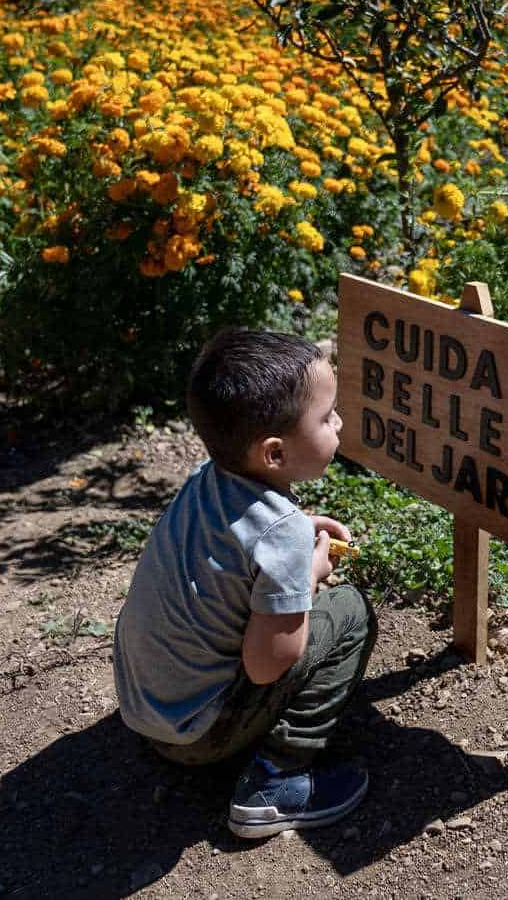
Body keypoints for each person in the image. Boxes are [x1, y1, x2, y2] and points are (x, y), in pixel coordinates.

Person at [114, 328, 376, 839]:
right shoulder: (284, 539)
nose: (339, 423)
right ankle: (277, 781)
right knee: (350, 611)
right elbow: (265, 665)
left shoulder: (203, 477)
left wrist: (297, 531)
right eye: (326, 417)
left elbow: (243, 538)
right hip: (197, 737)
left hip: (145, 710)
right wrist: (306, 571)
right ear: (275, 455)